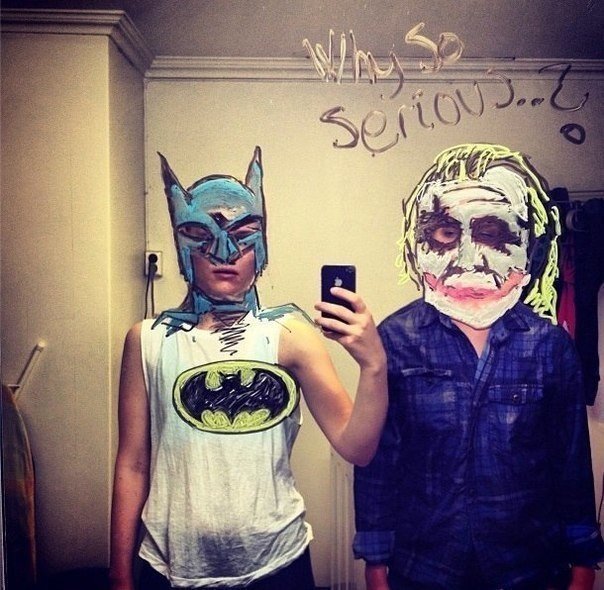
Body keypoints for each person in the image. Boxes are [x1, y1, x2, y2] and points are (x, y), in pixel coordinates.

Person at [109, 146, 387, 590]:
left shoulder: (290, 335)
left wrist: (373, 365)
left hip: (277, 565)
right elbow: (132, 464)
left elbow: (358, 449)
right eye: (200, 234)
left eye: (243, 234)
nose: (225, 252)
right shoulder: (147, 340)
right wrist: (119, 574)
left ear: (262, 244)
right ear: (181, 245)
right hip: (170, 569)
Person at [353, 143, 604, 590]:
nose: (468, 258)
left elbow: (570, 465)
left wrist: (583, 562)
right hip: (423, 567)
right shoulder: (393, 340)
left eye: (492, 233)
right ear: (417, 246)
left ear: (529, 249)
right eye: (445, 233)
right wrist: (375, 563)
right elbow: (380, 461)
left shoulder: (550, 347)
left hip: (529, 568)